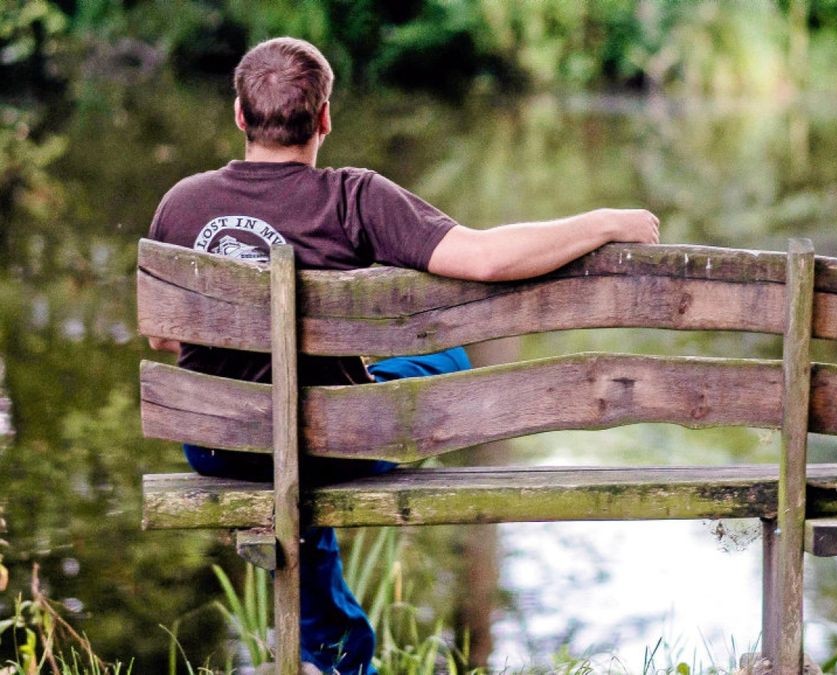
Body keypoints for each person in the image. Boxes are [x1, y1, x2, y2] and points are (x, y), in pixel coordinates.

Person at [146, 37, 658, 674]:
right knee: (443, 368)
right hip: (334, 445)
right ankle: (341, 655)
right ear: (326, 117)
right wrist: (602, 222)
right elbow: (488, 259)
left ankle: (341, 655)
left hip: (217, 444)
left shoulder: (182, 203)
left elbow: (164, 340)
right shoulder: (353, 197)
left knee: (299, 432)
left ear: (240, 116)